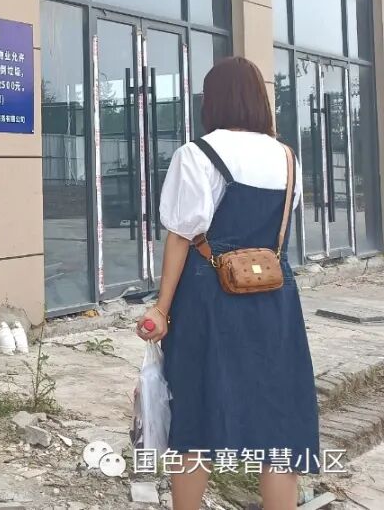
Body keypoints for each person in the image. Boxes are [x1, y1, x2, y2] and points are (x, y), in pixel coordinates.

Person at [136, 57, 316, 510]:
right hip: (275, 296)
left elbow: (181, 236)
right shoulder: (287, 158)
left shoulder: (197, 155)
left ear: (212, 101)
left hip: (208, 295)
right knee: (278, 417)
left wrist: (161, 308)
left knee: (197, 410)